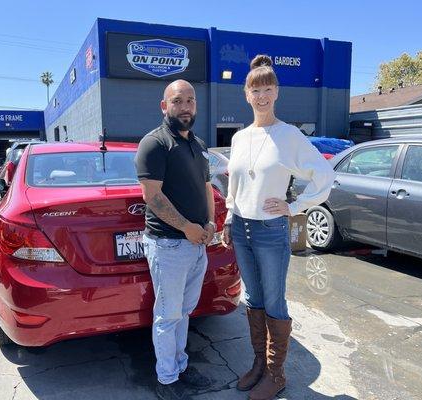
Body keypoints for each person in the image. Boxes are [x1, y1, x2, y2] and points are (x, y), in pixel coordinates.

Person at [221, 55, 336, 400]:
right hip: (241, 227)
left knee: (274, 301)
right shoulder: (240, 138)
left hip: (271, 229)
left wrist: (295, 206)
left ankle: (276, 374)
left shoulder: (289, 135)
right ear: (246, 94)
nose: (262, 96)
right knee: (253, 298)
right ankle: (259, 364)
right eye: (255, 90)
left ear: (277, 92)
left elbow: (324, 173)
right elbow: (235, 185)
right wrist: (229, 216)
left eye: (268, 89)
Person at [134, 79, 215, 400]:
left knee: (184, 312)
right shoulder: (154, 144)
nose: (185, 107)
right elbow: (152, 197)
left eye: (190, 101)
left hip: (196, 243)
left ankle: (180, 365)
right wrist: (186, 227)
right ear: (164, 106)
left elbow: (206, 187)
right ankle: (167, 380)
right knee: (168, 315)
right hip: (169, 244)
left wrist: (208, 222)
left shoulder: (198, 144)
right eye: (178, 101)